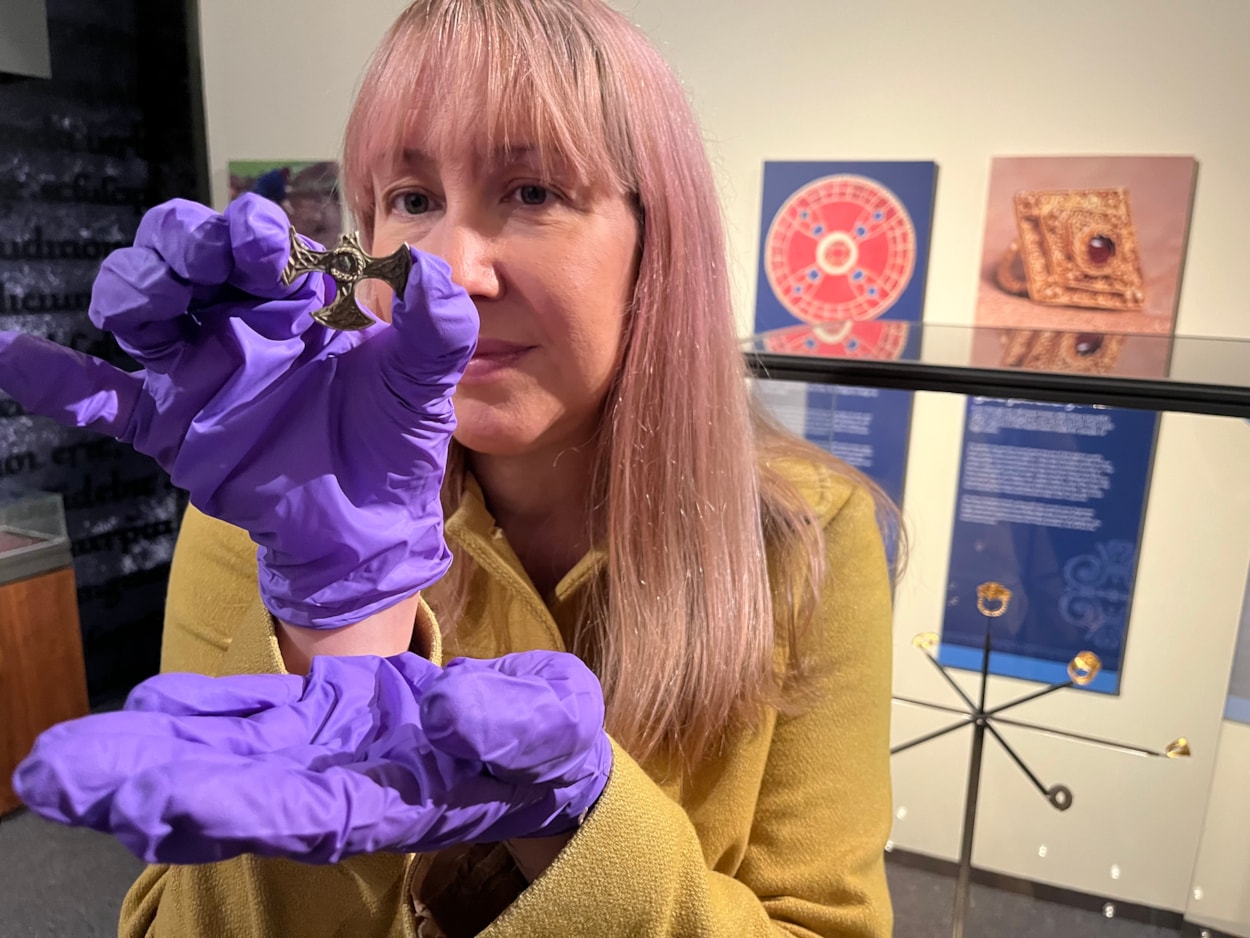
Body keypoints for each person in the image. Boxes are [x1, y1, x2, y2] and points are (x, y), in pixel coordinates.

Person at [3, 0, 900, 935]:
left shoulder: (803, 531)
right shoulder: (266, 512)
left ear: (657, 242)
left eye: (534, 192)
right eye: (415, 200)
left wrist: (578, 822)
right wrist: (342, 627)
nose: (456, 268)